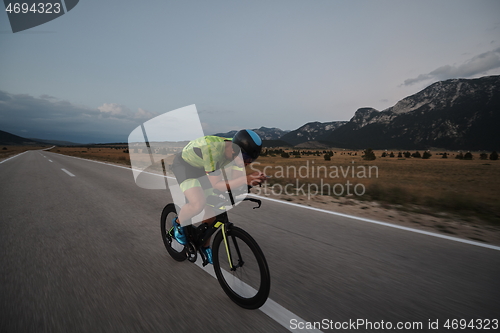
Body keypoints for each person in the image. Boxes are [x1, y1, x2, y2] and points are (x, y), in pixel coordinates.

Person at [170, 129, 266, 264]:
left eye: (251, 159)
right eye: (246, 158)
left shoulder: (238, 158)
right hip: (186, 166)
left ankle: (204, 245)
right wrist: (246, 180)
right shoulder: (213, 149)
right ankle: (178, 224)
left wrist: (249, 183)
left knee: (214, 209)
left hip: (204, 169)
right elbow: (217, 185)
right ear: (234, 150)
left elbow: (236, 182)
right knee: (198, 203)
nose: (247, 162)